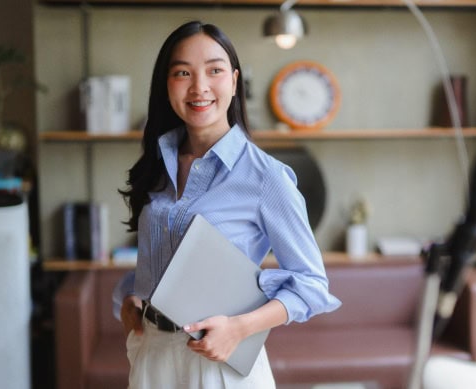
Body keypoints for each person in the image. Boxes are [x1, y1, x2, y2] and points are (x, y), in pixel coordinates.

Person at [112, 20, 341, 388]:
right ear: (166, 86)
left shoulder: (266, 177)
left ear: (234, 82)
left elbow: (312, 284)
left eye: (214, 71)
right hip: (152, 356)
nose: (199, 87)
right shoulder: (156, 166)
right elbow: (157, 261)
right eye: (183, 72)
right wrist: (131, 300)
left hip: (218, 362)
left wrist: (238, 329)